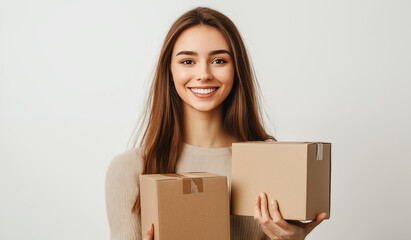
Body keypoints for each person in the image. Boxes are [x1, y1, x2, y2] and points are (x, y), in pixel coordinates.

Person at [105, 6, 327, 240]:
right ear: (169, 71)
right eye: (188, 61)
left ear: (236, 69)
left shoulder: (268, 163)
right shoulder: (130, 168)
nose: (204, 74)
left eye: (219, 60)